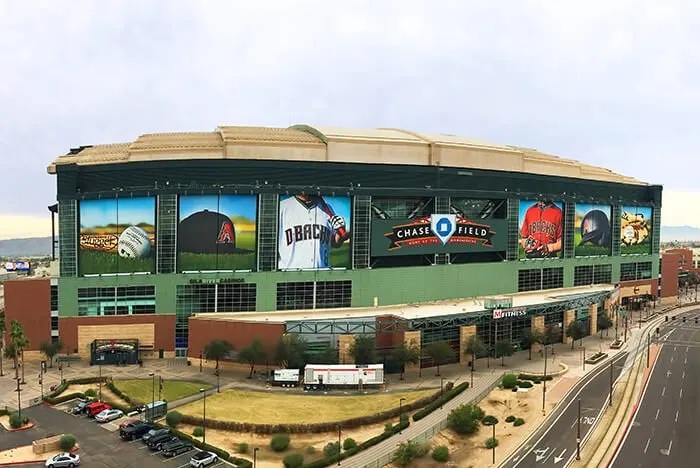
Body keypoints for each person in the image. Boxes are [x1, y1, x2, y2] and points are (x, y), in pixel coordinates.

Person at [278, 195, 349, 269]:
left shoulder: (327, 209)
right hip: (290, 275)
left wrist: (340, 231)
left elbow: (336, 243)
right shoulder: (282, 207)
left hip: (322, 274)